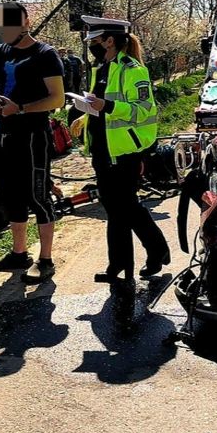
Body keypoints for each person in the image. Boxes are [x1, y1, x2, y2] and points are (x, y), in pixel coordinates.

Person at [0, 2, 66, 284]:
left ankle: (45, 259)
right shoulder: (0, 52)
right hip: (5, 133)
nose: (3, 32)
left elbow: (57, 98)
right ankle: (18, 253)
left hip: (34, 135)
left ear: (26, 23)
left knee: (38, 195)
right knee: (9, 194)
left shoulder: (45, 55)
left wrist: (20, 108)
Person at [71, 15, 170, 283]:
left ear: (109, 40)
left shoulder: (132, 69)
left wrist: (108, 107)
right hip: (103, 150)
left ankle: (154, 252)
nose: (91, 45)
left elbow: (143, 111)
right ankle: (121, 264)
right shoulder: (102, 67)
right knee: (115, 209)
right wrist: (87, 113)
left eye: (95, 40)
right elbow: (101, 104)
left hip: (125, 151)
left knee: (125, 208)